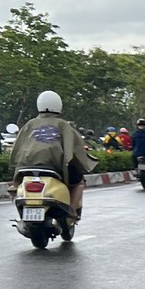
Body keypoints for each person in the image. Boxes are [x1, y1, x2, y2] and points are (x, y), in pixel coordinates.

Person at [10, 91, 95, 224]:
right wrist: (86, 164)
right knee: (79, 182)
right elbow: (76, 150)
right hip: (54, 166)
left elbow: (16, 149)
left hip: (27, 167)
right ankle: (71, 210)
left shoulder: (29, 125)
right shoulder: (64, 125)